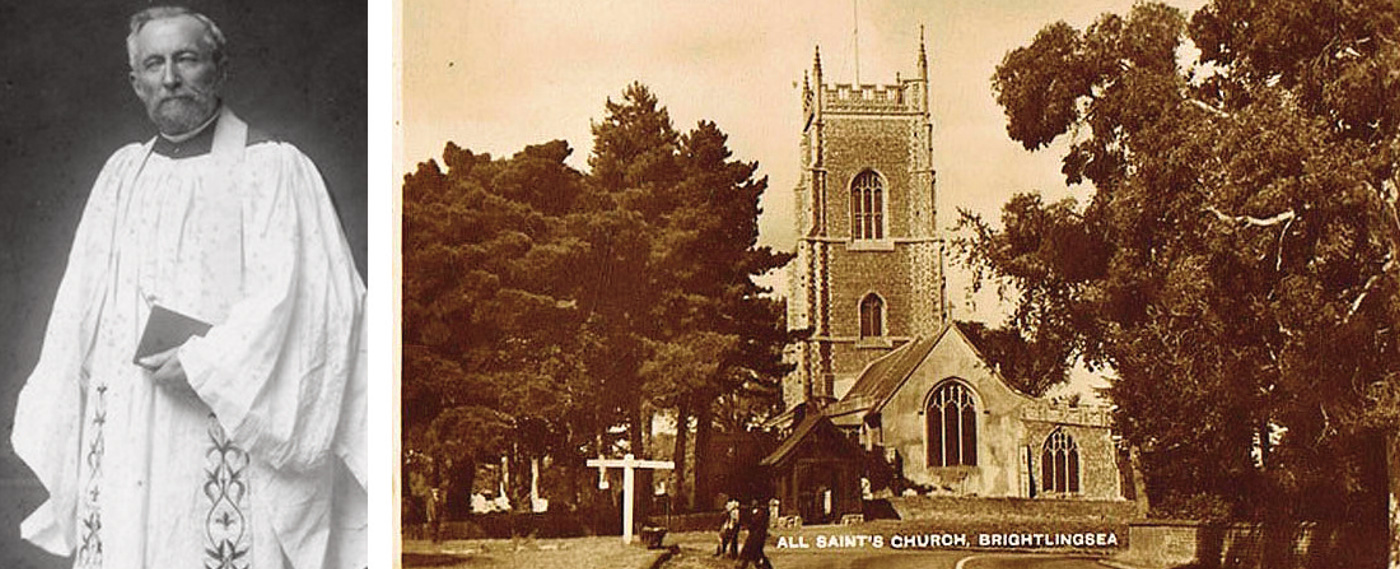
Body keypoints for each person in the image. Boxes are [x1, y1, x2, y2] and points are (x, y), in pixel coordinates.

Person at [10, 6, 367, 569]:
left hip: (220, 419)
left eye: (187, 59)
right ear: (136, 83)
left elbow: (308, 306)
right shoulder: (122, 176)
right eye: (154, 63)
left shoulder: (273, 169)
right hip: (126, 422)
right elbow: (76, 310)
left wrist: (208, 365)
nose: (170, 77)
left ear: (219, 69)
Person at [736, 500, 772, 569]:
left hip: (758, 535)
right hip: (753, 535)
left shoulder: (762, 513)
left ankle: (743, 566)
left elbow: (759, 524)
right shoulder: (753, 513)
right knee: (754, 552)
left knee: (752, 552)